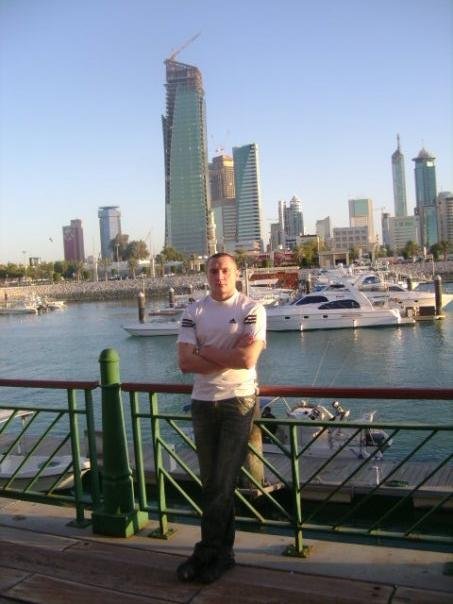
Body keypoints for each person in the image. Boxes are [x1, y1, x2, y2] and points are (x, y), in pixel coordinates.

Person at [176, 252, 266, 584]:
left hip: (238, 402)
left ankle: (208, 551)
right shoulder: (193, 311)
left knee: (224, 482)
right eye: (213, 271)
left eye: (225, 270)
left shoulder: (251, 309)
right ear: (206, 275)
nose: (219, 276)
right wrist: (226, 353)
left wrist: (203, 350)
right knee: (211, 482)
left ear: (236, 273)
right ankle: (221, 554)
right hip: (202, 402)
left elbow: (247, 359)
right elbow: (185, 362)